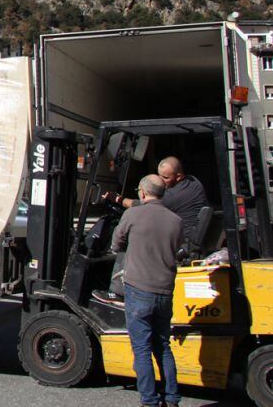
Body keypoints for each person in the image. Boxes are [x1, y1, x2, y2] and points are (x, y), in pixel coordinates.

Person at [111, 174, 183, 407]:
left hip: (139, 289)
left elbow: (117, 243)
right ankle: (171, 398)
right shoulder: (175, 220)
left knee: (141, 348)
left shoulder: (132, 214)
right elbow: (178, 248)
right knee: (163, 345)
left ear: (142, 192)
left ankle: (150, 401)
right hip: (164, 291)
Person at [103, 156, 209, 244]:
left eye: (165, 177)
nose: (160, 180)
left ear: (178, 177)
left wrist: (118, 199)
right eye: (159, 175)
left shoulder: (172, 196)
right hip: (187, 236)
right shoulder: (194, 181)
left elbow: (141, 205)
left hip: (181, 242)